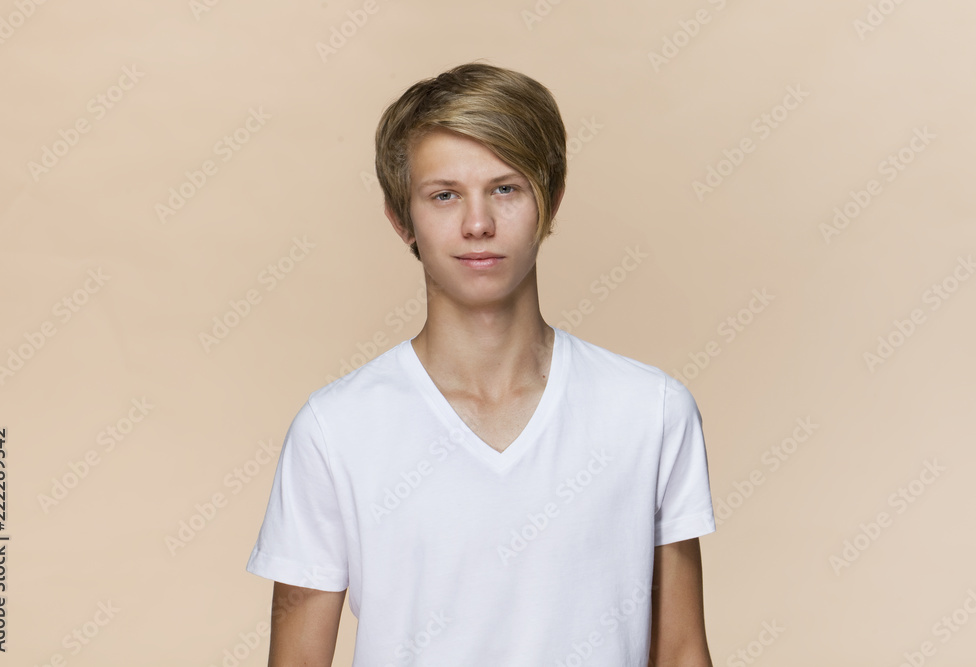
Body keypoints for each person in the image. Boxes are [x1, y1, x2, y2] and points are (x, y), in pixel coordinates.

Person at [245, 61, 717, 666]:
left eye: (506, 188)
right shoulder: (336, 429)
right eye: (444, 196)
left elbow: (680, 652)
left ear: (551, 201)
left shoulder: (650, 411)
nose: (477, 224)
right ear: (400, 218)